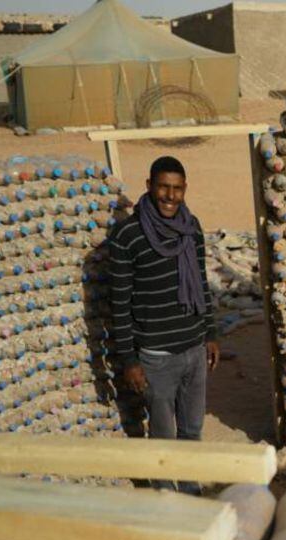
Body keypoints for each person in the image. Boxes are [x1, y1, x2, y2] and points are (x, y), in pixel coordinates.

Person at [108, 156, 219, 494]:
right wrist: (129, 361)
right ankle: (166, 500)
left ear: (184, 190)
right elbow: (119, 304)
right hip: (156, 356)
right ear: (149, 187)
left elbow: (201, 282)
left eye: (177, 189)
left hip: (194, 350)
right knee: (163, 436)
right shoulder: (128, 235)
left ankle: (190, 493)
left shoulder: (191, 227)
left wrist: (210, 334)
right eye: (163, 188)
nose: (170, 196)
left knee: (191, 431)